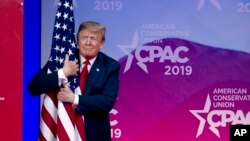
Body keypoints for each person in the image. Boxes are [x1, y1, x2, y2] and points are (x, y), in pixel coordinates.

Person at [29, 21, 120, 141]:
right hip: (61, 132)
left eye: (93, 38)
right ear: (77, 40)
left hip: (93, 136)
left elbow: (107, 101)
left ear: (101, 43)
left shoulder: (110, 66)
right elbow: (34, 87)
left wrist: (74, 98)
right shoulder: (62, 60)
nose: (88, 43)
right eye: (84, 38)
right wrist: (63, 73)